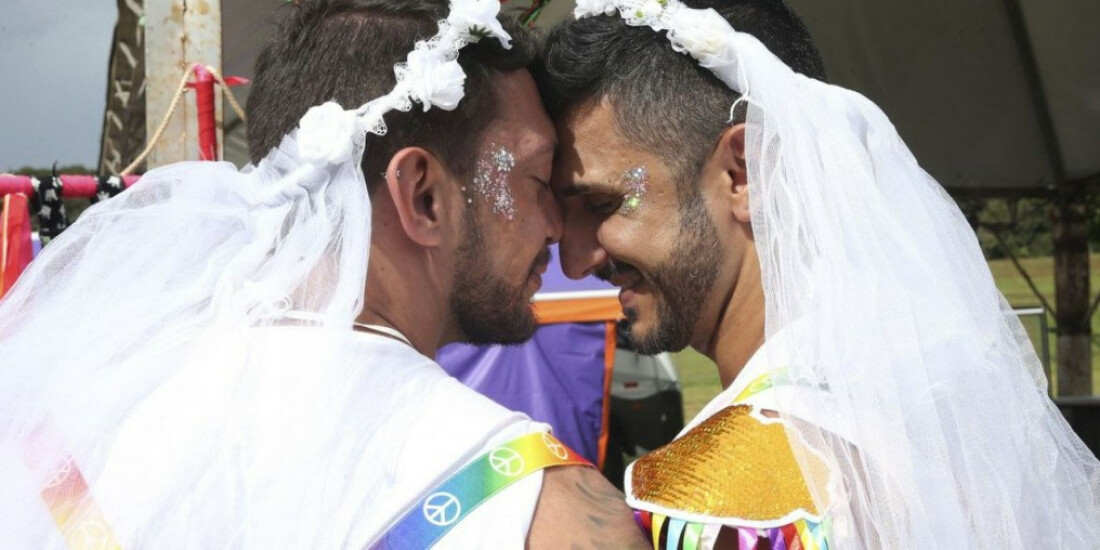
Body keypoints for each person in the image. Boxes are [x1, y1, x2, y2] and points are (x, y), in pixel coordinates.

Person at [0, 1, 646, 548]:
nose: (558, 232)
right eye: (535, 182)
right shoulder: (544, 513)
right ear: (423, 196)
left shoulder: (82, 429)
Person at [537, 0, 1100, 548]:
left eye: (603, 204)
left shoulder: (726, 491)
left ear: (744, 172)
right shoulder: (948, 416)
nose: (575, 260)